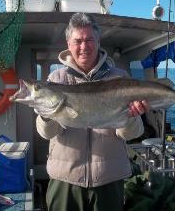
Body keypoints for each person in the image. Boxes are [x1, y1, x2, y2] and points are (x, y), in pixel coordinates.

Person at [36, 12, 149, 211]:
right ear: (68, 43)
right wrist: (45, 114)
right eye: (77, 40)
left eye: (89, 39)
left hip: (109, 180)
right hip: (65, 180)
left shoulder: (119, 78)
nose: (83, 46)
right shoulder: (56, 79)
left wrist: (131, 117)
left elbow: (132, 134)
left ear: (98, 41)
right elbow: (47, 133)